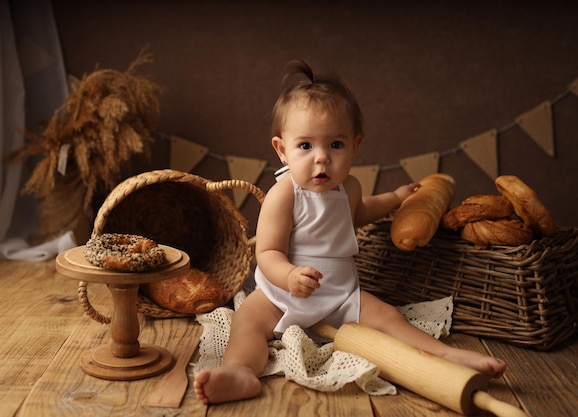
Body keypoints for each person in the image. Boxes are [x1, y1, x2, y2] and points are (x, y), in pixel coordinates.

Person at [194, 60, 507, 405]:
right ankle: (241, 372)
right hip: (281, 296)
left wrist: (396, 198)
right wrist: (289, 276)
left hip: (341, 294)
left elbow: (359, 213)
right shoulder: (284, 195)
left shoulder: (350, 188)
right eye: (305, 146)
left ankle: (447, 356)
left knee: (388, 316)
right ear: (282, 149)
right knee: (247, 323)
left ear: (355, 146)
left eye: (336, 145)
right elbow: (266, 253)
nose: (322, 158)